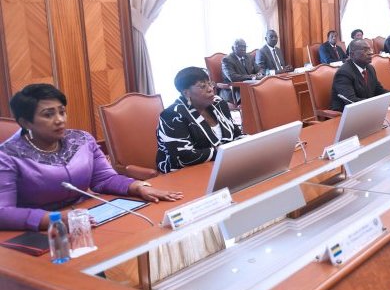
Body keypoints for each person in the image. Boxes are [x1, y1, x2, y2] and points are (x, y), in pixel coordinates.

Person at [0, 84, 182, 231]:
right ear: (25, 122)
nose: (60, 120)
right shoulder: (7, 156)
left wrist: (137, 187)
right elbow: (3, 211)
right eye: (48, 115)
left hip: (85, 218)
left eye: (62, 112)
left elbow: (104, 178)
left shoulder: (81, 140)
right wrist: (52, 219)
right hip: (36, 230)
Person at [156, 67, 243, 174]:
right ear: (186, 93)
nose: (210, 89)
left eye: (210, 83)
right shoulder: (173, 115)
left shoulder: (218, 104)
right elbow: (184, 157)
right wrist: (226, 151)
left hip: (221, 166)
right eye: (203, 86)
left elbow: (236, 134)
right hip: (183, 174)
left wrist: (251, 143)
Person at [330, 38, 390, 112]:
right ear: (352, 54)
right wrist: (384, 102)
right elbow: (352, 101)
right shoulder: (344, 73)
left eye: (370, 49)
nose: (370, 53)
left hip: (368, 111)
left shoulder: (370, 68)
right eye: (365, 50)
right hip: (345, 115)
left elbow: (379, 90)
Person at [221, 38, 260, 103]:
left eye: (244, 47)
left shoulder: (248, 57)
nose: (243, 49)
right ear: (233, 48)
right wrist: (251, 77)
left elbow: (258, 69)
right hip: (235, 91)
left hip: (249, 87)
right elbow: (233, 77)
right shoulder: (227, 60)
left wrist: (259, 74)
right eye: (240, 46)